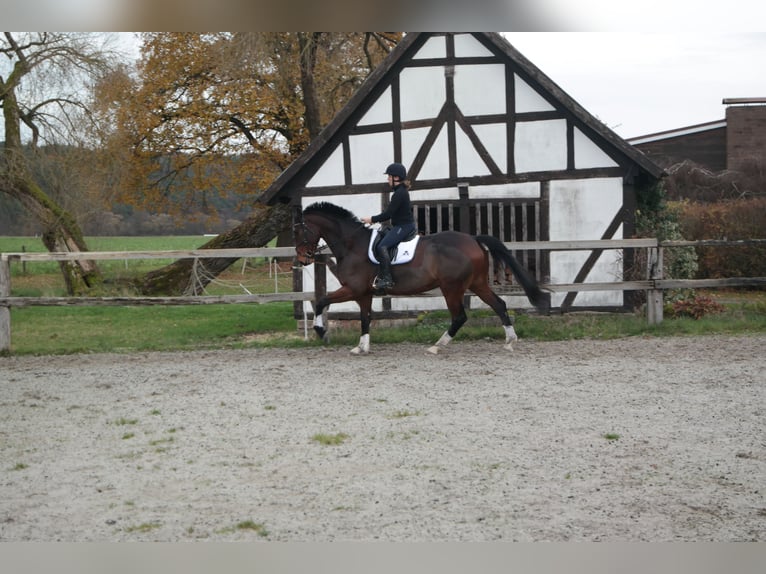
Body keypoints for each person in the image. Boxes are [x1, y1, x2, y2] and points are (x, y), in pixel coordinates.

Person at [361, 162, 415, 290]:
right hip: (399, 226)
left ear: (396, 178)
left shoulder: (399, 193)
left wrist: (371, 219)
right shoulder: (399, 192)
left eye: (389, 176)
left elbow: (388, 214)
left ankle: (386, 279)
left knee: (382, 246)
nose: (388, 179)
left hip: (404, 227)